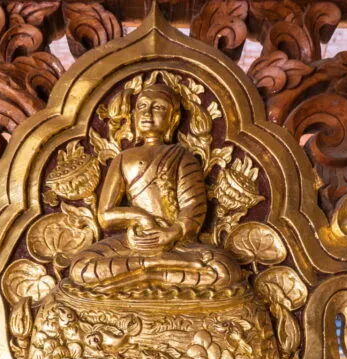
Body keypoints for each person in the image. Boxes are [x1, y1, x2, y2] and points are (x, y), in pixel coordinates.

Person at [69, 82, 244, 294]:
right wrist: (141, 218)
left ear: (173, 119)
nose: (148, 113)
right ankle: (154, 268)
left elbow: (193, 209)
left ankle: (144, 274)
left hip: (176, 245)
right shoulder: (123, 159)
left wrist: (171, 233)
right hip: (132, 244)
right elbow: (105, 215)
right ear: (133, 116)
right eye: (142, 106)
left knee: (225, 269)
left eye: (159, 107)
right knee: (82, 267)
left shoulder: (182, 157)